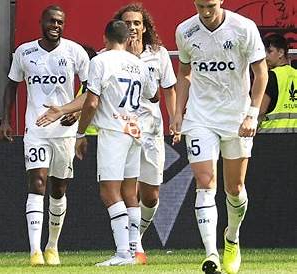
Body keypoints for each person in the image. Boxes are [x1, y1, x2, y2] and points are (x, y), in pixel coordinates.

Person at [170, 0, 268, 273]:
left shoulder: (243, 28)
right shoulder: (185, 31)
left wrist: (252, 113)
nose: (206, 11)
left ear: (221, 1)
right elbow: (184, 73)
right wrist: (178, 112)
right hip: (201, 117)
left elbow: (261, 73)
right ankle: (211, 254)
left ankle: (232, 238)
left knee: (234, 190)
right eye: (201, 6)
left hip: (236, 117)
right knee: (205, 181)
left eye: (211, 5)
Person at [0, 5, 89, 266]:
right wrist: (6, 119)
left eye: (60, 22)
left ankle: (52, 246)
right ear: (42, 22)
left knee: (58, 189)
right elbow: (12, 85)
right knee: (37, 183)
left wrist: (77, 111)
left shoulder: (75, 52)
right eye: (51, 21)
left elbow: (91, 89)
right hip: (35, 129)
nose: (55, 26)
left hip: (64, 131)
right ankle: (35, 251)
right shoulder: (24, 52)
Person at [76, 19, 157, 266]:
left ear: (105, 38)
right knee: (129, 193)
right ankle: (133, 251)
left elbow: (90, 102)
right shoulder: (138, 63)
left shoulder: (100, 61)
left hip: (113, 130)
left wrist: (79, 134)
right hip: (134, 129)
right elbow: (152, 94)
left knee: (109, 192)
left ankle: (123, 253)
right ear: (127, 39)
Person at [113, 3, 177, 264]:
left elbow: (168, 89)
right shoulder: (112, 55)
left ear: (145, 26)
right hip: (124, 129)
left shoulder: (158, 54)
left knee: (151, 195)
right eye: (127, 23)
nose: (132, 27)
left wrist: (175, 119)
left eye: (137, 23)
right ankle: (135, 246)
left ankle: (135, 235)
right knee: (129, 189)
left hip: (151, 131)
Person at [258, 33, 297, 133]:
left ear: (281, 52)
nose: (265, 57)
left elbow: (260, 111)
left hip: (272, 137)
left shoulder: (271, 76)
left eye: (269, 52)